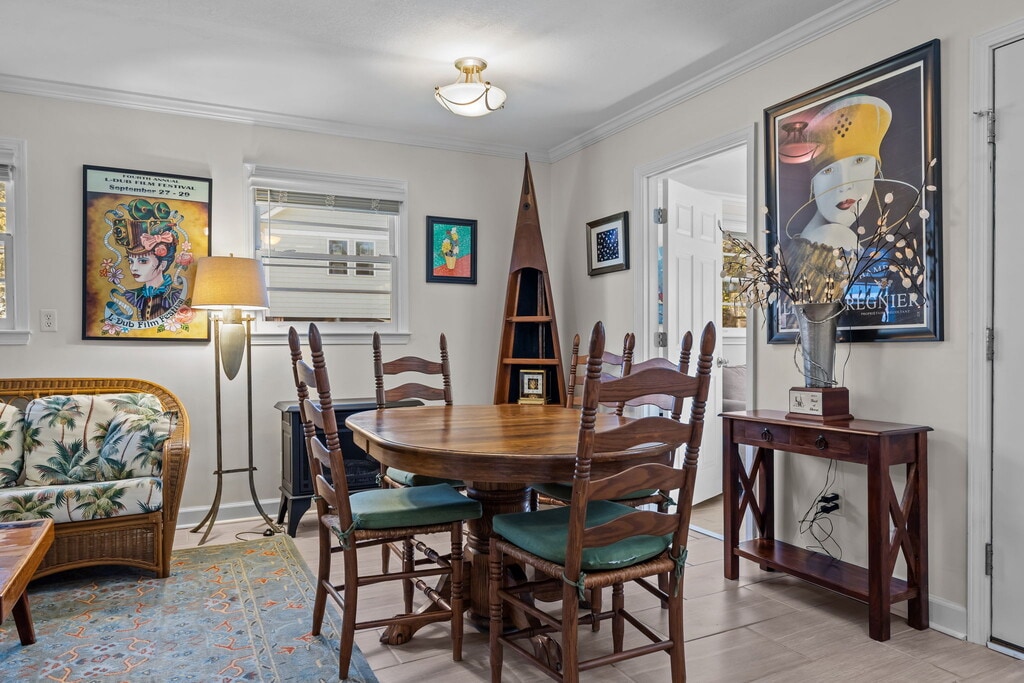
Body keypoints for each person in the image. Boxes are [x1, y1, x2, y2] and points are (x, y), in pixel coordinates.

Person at [783, 95, 892, 302]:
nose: (844, 184)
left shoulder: (804, 241)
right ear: (812, 183)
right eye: (827, 170)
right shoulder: (836, 237)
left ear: (876, 167)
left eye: (859, 160)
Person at [104, 200, 183, 324]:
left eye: (143, 261)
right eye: (131, 261)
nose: (133, 268)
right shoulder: (137, 296)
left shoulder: (174, 296)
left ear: (162, 265)